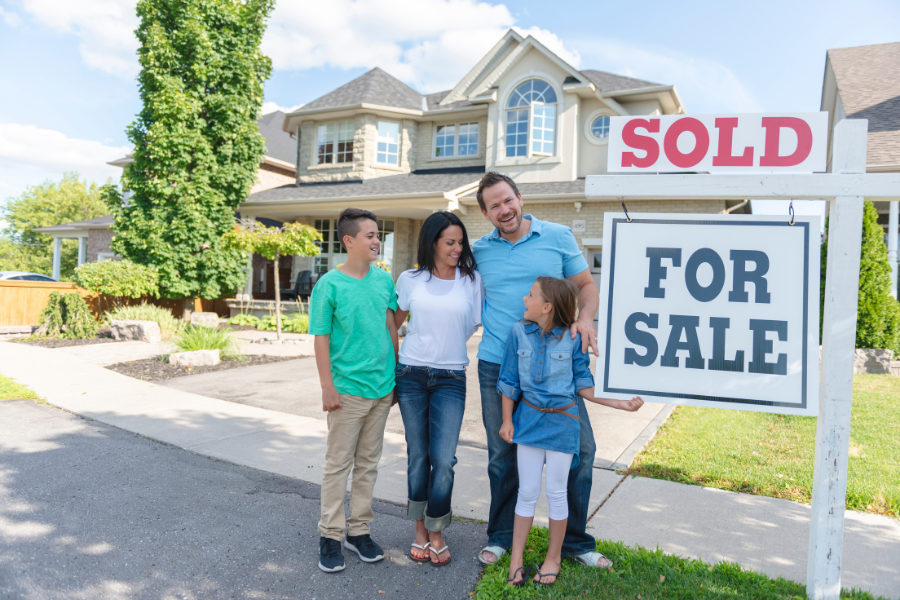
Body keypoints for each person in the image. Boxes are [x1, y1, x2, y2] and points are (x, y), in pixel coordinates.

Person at [472, 171, 613, 569]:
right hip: (499, 363)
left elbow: (587, 286)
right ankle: (500, 538)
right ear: (485, 213)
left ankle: (574, 542)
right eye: (494, 205)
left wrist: (585, 319)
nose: (505, 210)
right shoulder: (480, 250)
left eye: (508, 200)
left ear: (520, 197)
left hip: (556, 366)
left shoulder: (558, 236)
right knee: (503, 454)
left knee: (581, 451)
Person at [498, 277, 643, 586]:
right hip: (529, 423)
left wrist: (620, 404)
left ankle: (553, 558)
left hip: (564, 424)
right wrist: (506, 420)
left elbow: (584, 385)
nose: (524, 299)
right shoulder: (517, 333)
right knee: (526, 492)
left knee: (556, 492)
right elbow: (509, 380)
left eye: (530, 295)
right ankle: (516, 559)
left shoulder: (573, 339)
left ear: (547, 307)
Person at [309, 208, 400, 573]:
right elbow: (321, 339)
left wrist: (396, 378)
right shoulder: (329, 284)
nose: (377, 241)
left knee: (368, 466)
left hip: (381, 388)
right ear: (348, 241)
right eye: (370, 235)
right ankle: (330, 535)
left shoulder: (383, 281)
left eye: (379, 235)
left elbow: (392, 327)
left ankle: (358, 531)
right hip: (346, 391)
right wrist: (327, 387)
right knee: (337, 466)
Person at [392, 211, 483, 567]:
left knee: (444, 460)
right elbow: (394, 324)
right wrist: (395, 367)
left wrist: (445, 350)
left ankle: (437, 528)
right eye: (450, 242)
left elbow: (471, 325)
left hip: (450, 379)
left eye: (461, 242)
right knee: (418, 455)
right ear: (432, 242)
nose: (457, 248)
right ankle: (420, 531)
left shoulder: (471, 280)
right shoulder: (410, 279)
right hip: (411, 375)